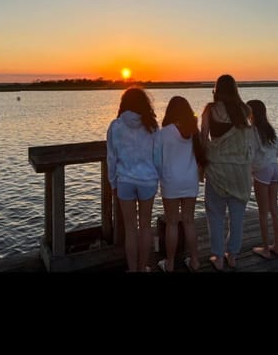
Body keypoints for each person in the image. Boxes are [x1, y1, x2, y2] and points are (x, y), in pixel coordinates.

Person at [201, 74, 254, 271]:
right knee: (237, 216)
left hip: (217, 170)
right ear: (235, 89)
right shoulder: (245, 110)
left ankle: (219, 257)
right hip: (240, 172)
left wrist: (202, 164)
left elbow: (203, 139)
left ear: (217, 89)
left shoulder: (210, 110)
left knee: (215, 215)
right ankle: (232, 255)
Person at [107, 86, 160, 272]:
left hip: (125, 181)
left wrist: (112, 182)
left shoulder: (116, 126)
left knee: (130, 229)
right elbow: (158, 156)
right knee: (145, 226)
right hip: (148, 180)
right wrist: (158, 177)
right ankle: (143, 266)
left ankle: (132, 269)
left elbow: (111, 158)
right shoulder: (152, 126)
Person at [156, 96, 207, 273]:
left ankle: (169, 263)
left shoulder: (163, 133)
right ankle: (194, 261)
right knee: (189, 222)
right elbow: (200, 155)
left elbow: (158, 159)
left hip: (171, 181)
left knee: (172, 223)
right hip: (190, 179)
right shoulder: (193, 130)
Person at [247, 99, 278, 259]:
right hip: (275, 167)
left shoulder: (251, 130)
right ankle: (277, 246)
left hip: (263, 170)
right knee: (274, 208)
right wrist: (270, 158)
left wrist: (251, 168)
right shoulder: (269, 129)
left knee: (263, 212)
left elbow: (251, 154)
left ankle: (266, 250)